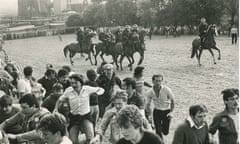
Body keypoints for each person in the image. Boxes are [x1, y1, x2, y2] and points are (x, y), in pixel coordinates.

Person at [56, 74, 104, 144]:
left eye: (76, 83)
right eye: (72, 83)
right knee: (73, 140)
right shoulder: (68, 91)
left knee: (90, 137)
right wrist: (56, 109)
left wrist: (96, 94)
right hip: (74, 117)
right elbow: (60, 100)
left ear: (81, 83)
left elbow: (101, 90)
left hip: (85, 116)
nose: (74, 85)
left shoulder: (87, 89)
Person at [146, 74, 175, 139]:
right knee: (158, 132)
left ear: (162, 81)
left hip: (166, 111)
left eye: (160, 81)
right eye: (156, 81)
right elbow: (148, 105)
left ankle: (161, 128)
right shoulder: (150, 92)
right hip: (157, 112)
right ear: (153, 81)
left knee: (165, 132)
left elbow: (172, 100)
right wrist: (149, 115)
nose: (158, 83)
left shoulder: (167, 90)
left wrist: (171, 112)